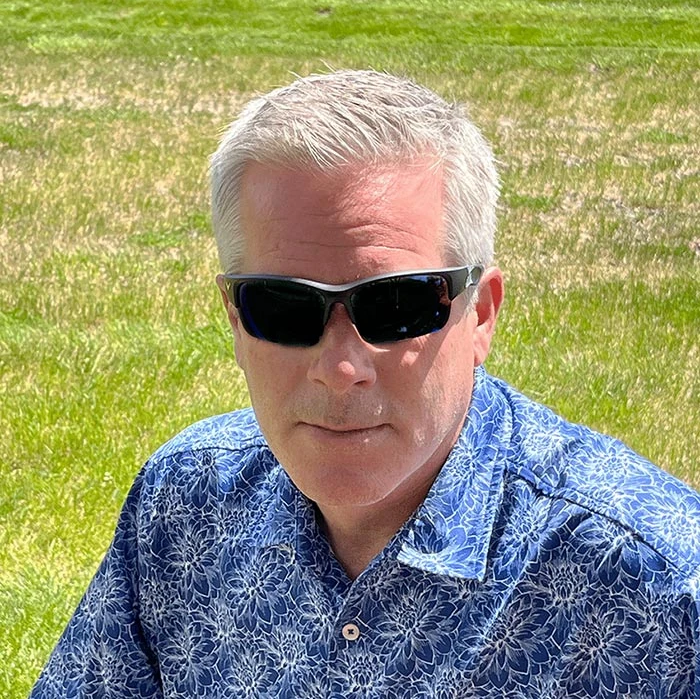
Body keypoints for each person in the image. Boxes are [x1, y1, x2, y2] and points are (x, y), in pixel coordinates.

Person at [31, 70, 699, 699]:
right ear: (235, 318)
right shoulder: (182, 506)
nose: (341, 366)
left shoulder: (662, 587)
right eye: (284, 307)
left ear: (481, 315)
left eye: (396, 305)